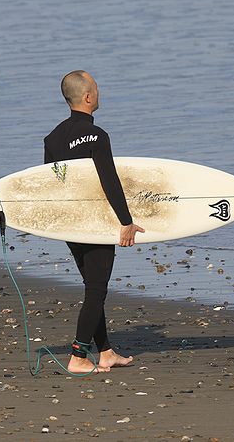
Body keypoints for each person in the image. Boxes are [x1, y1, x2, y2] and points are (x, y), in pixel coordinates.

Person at [44, 70, 144, 374]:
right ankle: (78, 356)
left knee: (93, 286)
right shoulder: (97, 136)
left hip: (69, 224)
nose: (99, 92)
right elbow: (109, 181)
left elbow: (52, 185)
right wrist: (126, 221)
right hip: (94, 224)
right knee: (96, 290)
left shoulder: (52, 138)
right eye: (97, 88)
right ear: (88, 97)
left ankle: (106, 352)